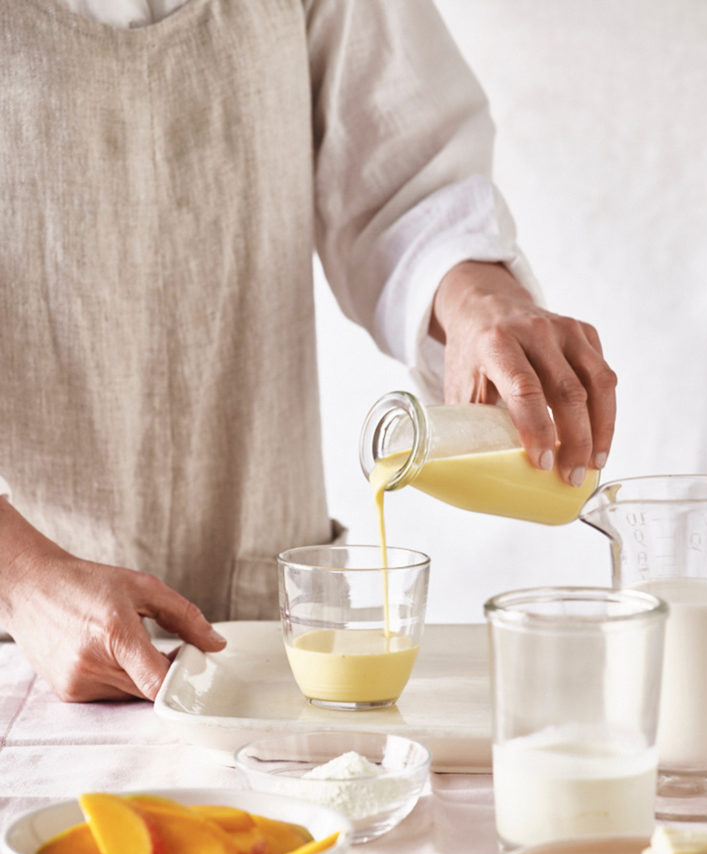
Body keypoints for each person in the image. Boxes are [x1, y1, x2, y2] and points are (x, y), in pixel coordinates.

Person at [0, 0, 616, 703]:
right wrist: (20, 581)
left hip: (261, 634)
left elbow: (401, 164)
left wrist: (476, 299)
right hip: (22, 654)